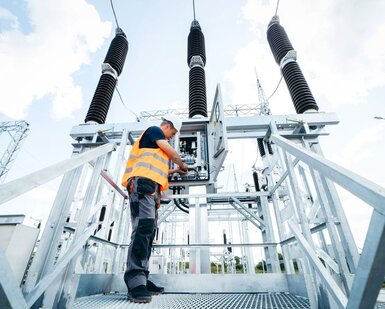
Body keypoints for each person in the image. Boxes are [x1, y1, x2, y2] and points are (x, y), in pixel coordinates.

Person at [121, 113, 188, 303]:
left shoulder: (155, 147)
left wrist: (175, 170)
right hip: (142, 185)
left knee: (149, 233)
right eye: (173, 132)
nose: (172, 137)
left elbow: (161, 170)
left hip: (150, 189)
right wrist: (182, 164)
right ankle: (135, 282)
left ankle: (142, 277)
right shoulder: (154, 130)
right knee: (143, 229)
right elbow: (173, 154)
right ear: (167, 125)